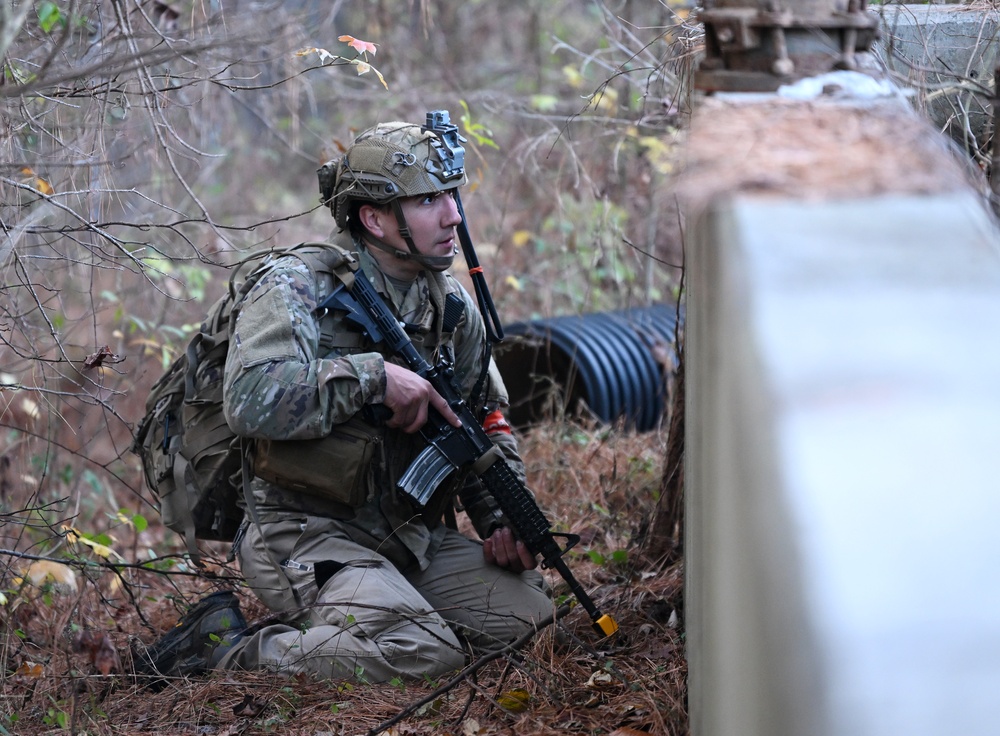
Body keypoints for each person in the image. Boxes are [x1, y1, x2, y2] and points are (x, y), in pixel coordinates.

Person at [137, 118, 552, 684]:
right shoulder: (295, 286)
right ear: (374, 217)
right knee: (424, 649)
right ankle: (222, 649)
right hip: (302, 528)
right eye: (428, 199)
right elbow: (251, 399)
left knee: (531, 619)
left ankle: (374, 614)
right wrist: (374, 377)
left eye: (451, 195)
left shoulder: (451, 307)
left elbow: (484, 419)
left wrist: (500, 515)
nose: (453, 215)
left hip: (408, 532)